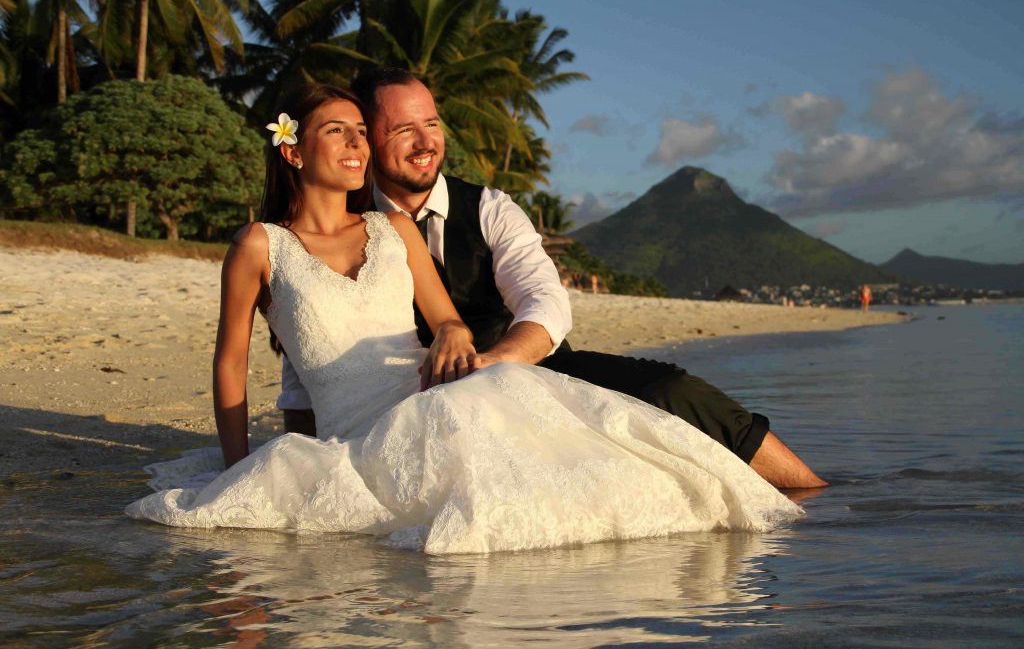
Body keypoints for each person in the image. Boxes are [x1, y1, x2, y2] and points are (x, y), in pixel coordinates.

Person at [126, 83, 801, 554]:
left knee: (602, 448)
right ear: (293, 151)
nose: (357, 144)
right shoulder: (258, 245)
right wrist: (235, 466)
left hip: (438, 398)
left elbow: (454, 318)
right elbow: (233, 364)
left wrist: (452, 332)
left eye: (363, 132)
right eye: (340, 131)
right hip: (345, 435)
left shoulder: (395, 229)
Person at [277, 68, 826, 490]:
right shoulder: (338, 231)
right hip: (417, 405)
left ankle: (815, 498)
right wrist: (298, 457)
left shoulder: (490, 208)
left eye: (433, 124)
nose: (426, 142)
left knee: (671, 389)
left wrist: (497, 362)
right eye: (403, 129)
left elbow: (546, 303)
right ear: (367, 138)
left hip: (535, 371)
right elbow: (314, 342)